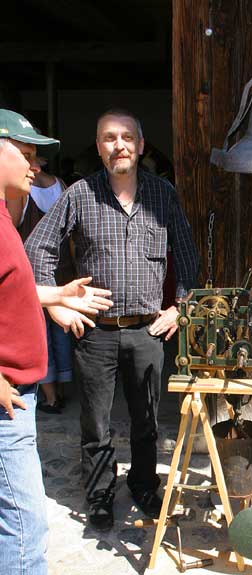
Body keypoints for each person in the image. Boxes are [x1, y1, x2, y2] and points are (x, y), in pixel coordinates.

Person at [26, 108, 200, 531]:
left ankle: (143, 486)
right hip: (96, 334)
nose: (118, 145)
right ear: (99, 147)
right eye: (108, 137)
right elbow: (36, 251)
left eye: (126, 137)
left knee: (146, 421)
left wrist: (179, 305)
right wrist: (57, 306)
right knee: (96, 424)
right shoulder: (79, 195)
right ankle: (100, 495)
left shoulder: (163, 195)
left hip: (147, 331)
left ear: (141, 146)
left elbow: (189, 255)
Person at [0, 109, 113, 575]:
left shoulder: (2, 217)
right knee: (24, 519)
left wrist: (50, 294)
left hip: (15, 395)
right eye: (26, 151)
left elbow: (7, 286)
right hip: (6, 404)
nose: (37, 163)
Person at [7, 159, 73, 414]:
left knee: (40, 332)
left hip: (31, 268)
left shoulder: (22, 189)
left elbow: (11, 224)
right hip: (62, 266)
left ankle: (51, 396)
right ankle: (63, 386)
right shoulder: (61, 186)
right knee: (62, 329)